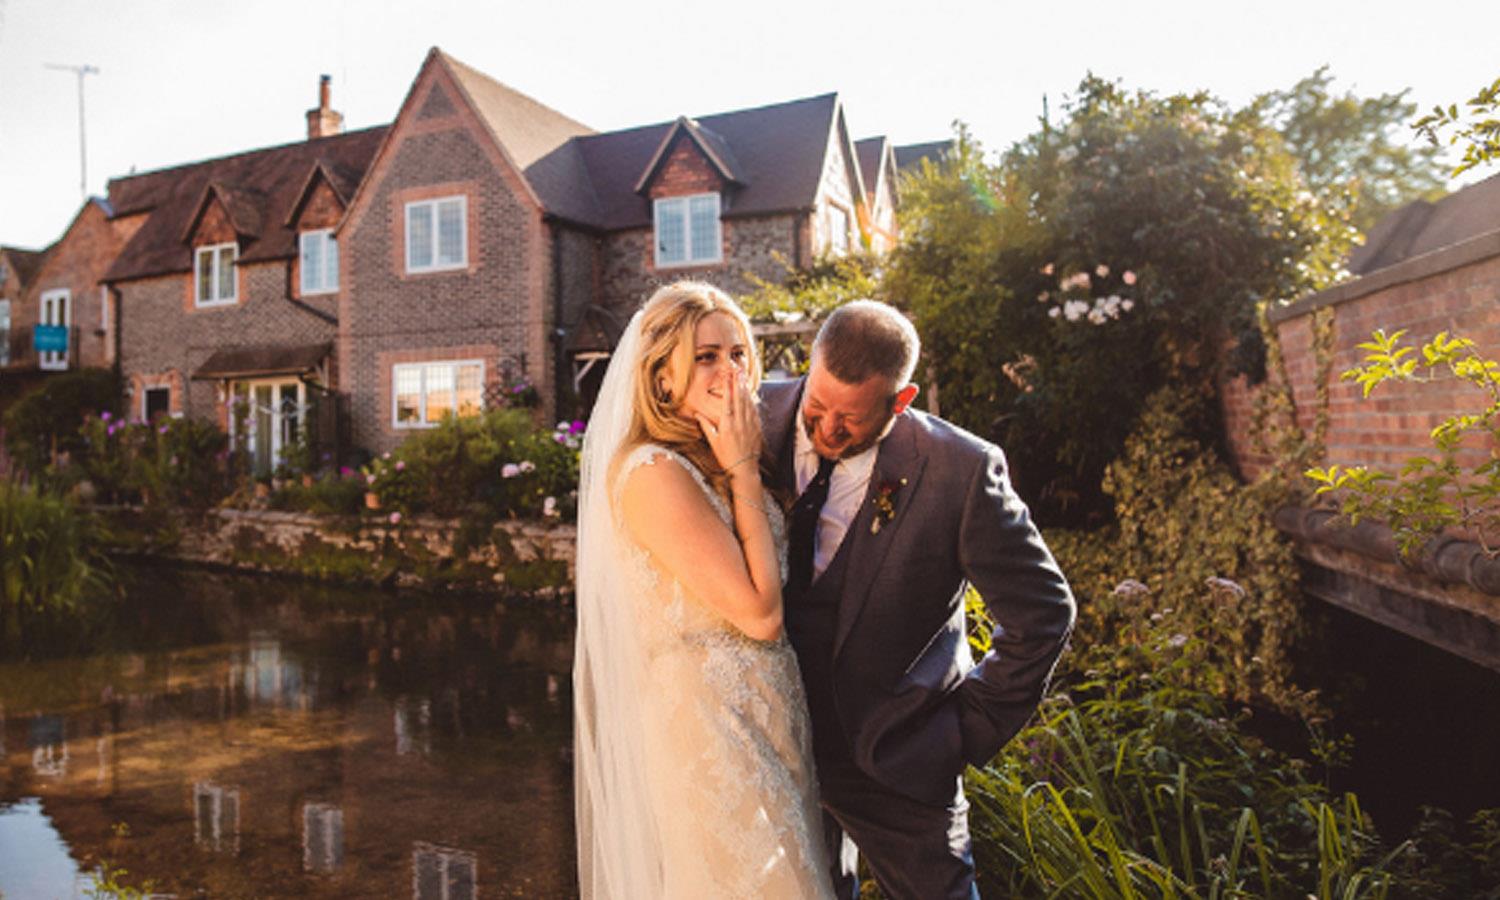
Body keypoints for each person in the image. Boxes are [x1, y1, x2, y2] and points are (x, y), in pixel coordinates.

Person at [760, 299, 1076, 899]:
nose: (826, 431)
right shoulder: (752, 415)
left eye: (849, 420)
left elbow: (1043, 615)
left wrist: (959, 734)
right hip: (772, 744)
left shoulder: (962, 471)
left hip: (894, 759)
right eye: (818, 405)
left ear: (900, 401)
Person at [572, 281, 835, 899]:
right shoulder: (653, 474)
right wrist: (744, 466)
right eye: (707, 356)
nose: (729, 370)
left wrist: (742, 464)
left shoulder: (722, 456)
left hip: (769, 719)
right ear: (663, 377)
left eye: (738, 352)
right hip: (710, 729)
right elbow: (761, 614)